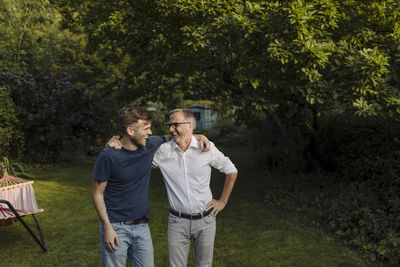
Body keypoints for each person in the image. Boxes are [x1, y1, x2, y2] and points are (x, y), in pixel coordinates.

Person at [92, 107, 210, 267]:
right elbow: (97, 193)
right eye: (146, 128)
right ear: (130, 131)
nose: (150, 132)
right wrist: (107, 227)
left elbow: (176, 135)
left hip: (142, 227)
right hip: (115, 227)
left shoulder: (150, 145)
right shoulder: (109, 155)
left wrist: (200, 135)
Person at [152, 109, 238, 267]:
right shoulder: (163, 151)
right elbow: (138, 153)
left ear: (190, 126)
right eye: (169, 125)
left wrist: (223, 201)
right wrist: (120, 140)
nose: (171, 129)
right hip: (177, 222)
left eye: (175, 124)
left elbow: (231, 170)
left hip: (206, 221)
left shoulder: (206, 148)